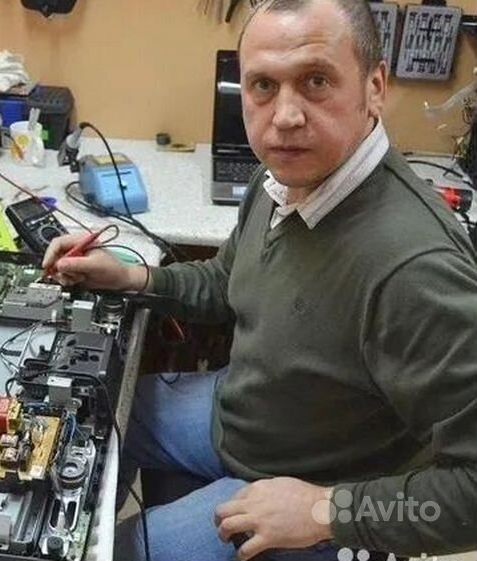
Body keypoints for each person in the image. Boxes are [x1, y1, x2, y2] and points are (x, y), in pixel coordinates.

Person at [43, 0, 477, 559]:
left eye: (316, 81)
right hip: (242, 414)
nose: (285, 116)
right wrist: (133, 276)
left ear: (375, 87)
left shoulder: (416, 270)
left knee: (111, 551)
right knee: (93, 415)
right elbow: (227, 280)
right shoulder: (284, 178)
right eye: (264, 86)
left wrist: (327, 511)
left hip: (306, 484)